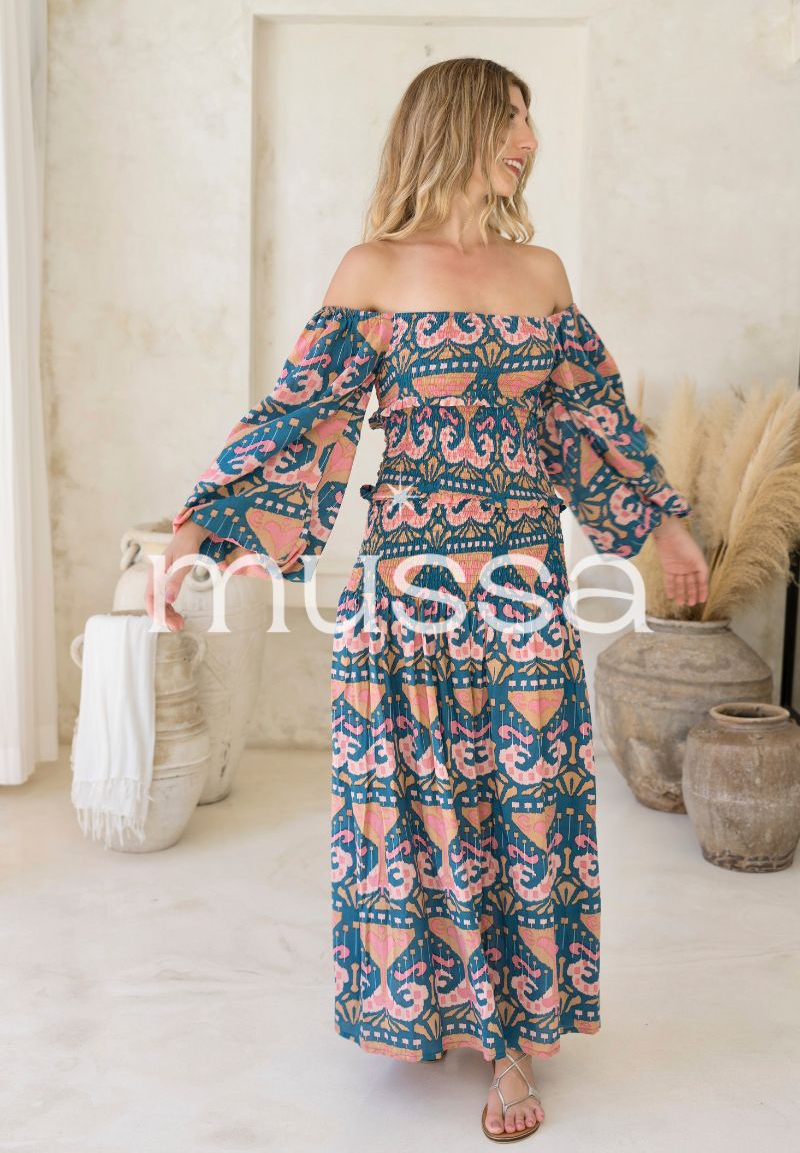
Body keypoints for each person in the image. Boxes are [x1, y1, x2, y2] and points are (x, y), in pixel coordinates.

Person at [146, 57, 709, 1142]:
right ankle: (460, 1020)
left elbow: (593, 420)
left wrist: (666, 525)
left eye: (530, 122)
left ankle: (512, 1035)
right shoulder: (374, 268)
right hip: (407, 591)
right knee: (423, 801)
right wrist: (193, 537)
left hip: (522, 586)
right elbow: (296, 418)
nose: (528, 141)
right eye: (510, 119)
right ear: (454, 126)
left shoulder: (540, 272)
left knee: (526, 801)